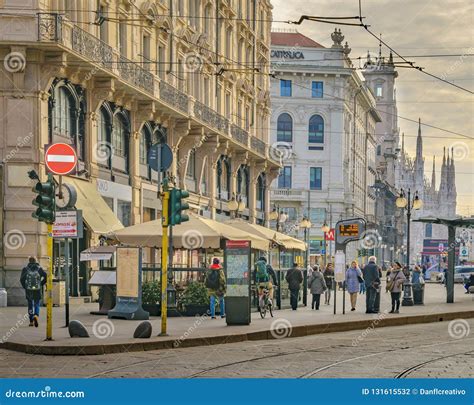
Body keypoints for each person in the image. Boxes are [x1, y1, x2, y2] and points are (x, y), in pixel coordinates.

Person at [20, 256, 47, 327]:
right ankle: (36, 315)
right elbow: (46, 276)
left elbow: (22, 279)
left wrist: (25, 287)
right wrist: (41, 284)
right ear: (36, 261)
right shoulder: (39, 269)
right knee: (37, 303)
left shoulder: (25, 269)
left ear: (29, 261)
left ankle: (31, 321)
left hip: (28, 290)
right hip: (37, 289)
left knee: (30, 304)